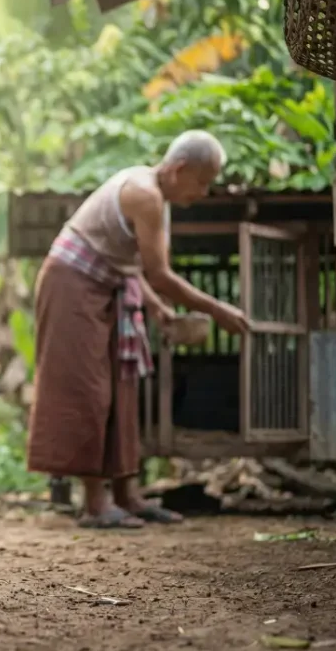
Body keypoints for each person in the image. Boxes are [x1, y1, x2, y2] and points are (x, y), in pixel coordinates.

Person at [26, 130, 251, 529]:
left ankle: (127, 494)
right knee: (89, 387)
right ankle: (95, 503)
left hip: (107, 284)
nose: (204, 192)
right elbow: (159, 274)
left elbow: (129, 264)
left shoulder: (157, 197)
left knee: (123, 386)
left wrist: (157, 307)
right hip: (71, 283)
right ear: (179, 169)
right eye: (202, 181)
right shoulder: (144, 193)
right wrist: (217, 310)